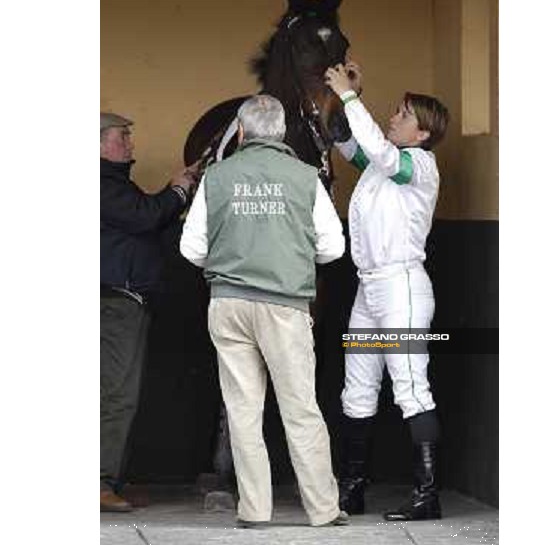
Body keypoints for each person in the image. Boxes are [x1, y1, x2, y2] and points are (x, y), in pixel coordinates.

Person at [179, 95, 348, 528]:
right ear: (282, 133)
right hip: (285, 305)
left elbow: (191, 248)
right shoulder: (305, 177)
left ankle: (254, 510)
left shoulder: (216, 177)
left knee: (242, 409)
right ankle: (323, 510)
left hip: (228, 303)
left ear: (240, 132)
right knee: (301, 409)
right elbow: (333, 249)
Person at [324, 62, 450, 521]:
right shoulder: (384, 165)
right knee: (356, 391)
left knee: (412, 390)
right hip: (369, 288)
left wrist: (355, 98)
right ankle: (352, 489)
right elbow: (345, 139)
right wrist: (344, 97)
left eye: (402, 114)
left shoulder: (417, 164)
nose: (393, 117)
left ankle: (427, 495)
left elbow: (376, 148)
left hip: (403, 288)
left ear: (422, 134)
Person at [100, 112, 199, 512]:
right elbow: (144, 216)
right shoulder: (100, 183)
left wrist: (178, 195)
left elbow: (145, 218)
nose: (131, 143)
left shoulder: (113, 184)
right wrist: (176, 192)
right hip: (114, 302)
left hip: (117, 300)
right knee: (116, 394)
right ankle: (98, 482)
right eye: (123, 136)